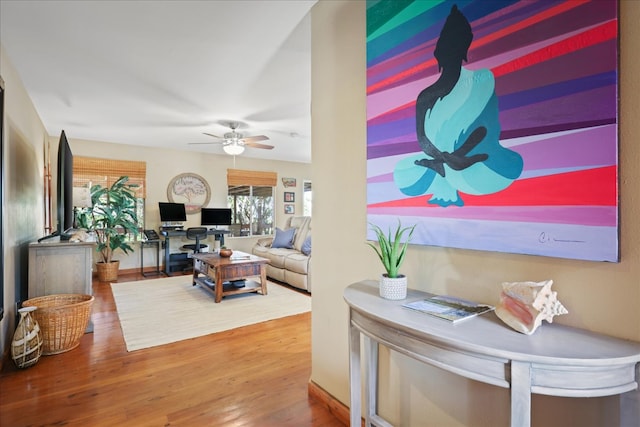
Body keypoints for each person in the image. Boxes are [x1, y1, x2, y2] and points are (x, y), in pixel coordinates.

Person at [394, 4, 523, 207]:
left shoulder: (481, 80)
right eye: (446, 44)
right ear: (438, 51)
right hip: (444, 162)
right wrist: (445, 159)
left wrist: (459, 156)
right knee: (402, 173)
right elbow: (423, 140)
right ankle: (447, 173)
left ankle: (447, 173)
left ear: (464, 49)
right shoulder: (425, 96)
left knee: (512, 166)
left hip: (475, 158)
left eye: (456, 44)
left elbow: (486, 128)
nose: (449, 51)